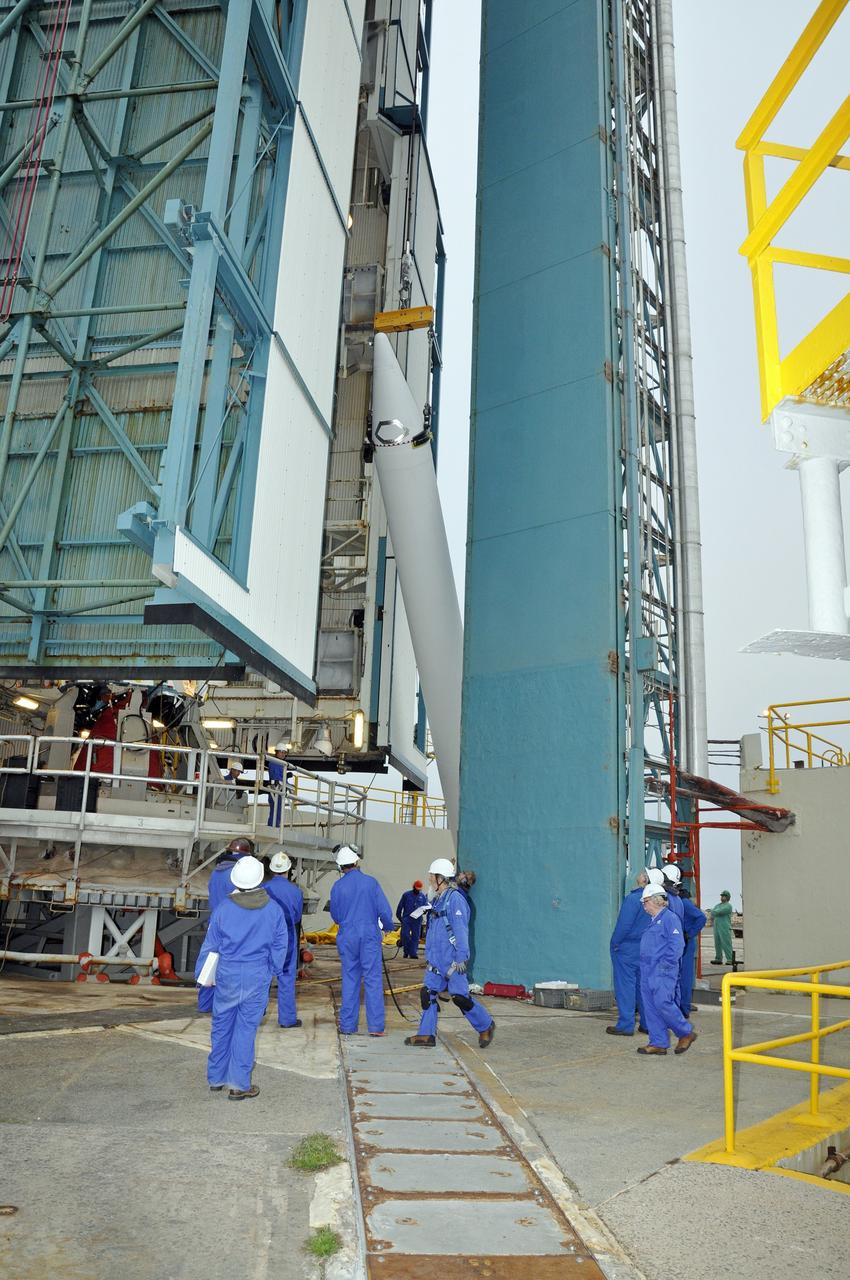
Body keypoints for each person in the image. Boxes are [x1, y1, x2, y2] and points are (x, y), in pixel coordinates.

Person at [195, 855, 287, 1100]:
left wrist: (202, 976)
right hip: (257, 974)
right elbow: (280, 946)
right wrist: (273, 970)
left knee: (222, 1024)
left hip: (228, 973)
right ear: (260, 879)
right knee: (246, 1029)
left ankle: (216, 1077)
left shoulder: (224, 908)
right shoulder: (274, 910)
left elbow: (211, 944)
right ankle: (238, 1084)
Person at [405, 858, 495, 1050]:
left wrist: (462, 957)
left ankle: (486, 1025)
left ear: (440, 878)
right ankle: (426, 1035)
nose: (429, 880)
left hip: (454, 961)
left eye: (431, 877)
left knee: (460, 998)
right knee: (427, 993)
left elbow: (461, 931)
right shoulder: (437, 900)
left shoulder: (455, 900)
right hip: (437, 961)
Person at [329, 844, 394, 1036]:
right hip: (368, 936)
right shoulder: (371, 883)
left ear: (341, 867)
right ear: (356, 862)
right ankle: (375, 1027)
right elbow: (384, 911)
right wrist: (388, 927)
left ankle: (348, 1026)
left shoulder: (337, 887)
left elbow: (336, 916)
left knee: (350, 978)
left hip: (347, 936)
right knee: (373, 979)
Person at [637, 882, 697, 1057]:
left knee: (663, 1003)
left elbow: (677, 945)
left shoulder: (670, 919)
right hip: (647, 970)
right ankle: (658, 1042)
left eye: (645, 901)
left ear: (656, 900)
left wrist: (665, 965)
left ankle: (685, 1032)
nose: (643, 905)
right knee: (650, 1007)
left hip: (662, 970)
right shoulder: (653, 921)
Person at [197, 837, 255, 1012]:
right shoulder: (238, 873)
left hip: (214, 923)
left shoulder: (216, 871)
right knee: (231, 968)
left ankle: (205, 1004)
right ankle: (228, 1004)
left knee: (210, 965)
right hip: (234, 926)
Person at [606, 868, 651, 1036]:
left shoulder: (633, 899)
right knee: (643, 987)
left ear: (645, 880)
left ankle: (625, 1024)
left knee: (625, 987)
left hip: (627, 949)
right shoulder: (656, 900)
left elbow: (623, 926)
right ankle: (647, 1023)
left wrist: (615, 943)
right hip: (645, 949)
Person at [265, 850, 304, 1028]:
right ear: (289, 870)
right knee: (287, 977)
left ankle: (255, 1015)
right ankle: (287, 1019)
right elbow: (296, 916)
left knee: (262, 977)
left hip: (265, 937)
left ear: (272, 870)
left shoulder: (263, 889)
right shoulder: (295, 891)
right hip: (287, 936)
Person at [663, 862, 707, 1017]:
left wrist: (689, 934)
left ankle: (684, 1007)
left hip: (686, 944)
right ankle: (682, 1006)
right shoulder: (678, 899)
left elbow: (701, 917)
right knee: (681, 976)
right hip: (682, 941)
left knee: (684, 976)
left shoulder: (683, 902)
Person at [396, 880, 428, 958]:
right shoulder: (406, 895)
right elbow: (400, 906)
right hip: (407, 918)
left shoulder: (422, 896)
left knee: (415, 936)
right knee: (405, 935)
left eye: (419, 889)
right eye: (416, 889)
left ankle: (413, 953)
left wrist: (424, 911)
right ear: (413, 887)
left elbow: (425, 907)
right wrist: (400, 918)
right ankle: (406, 951)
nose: (417, 890)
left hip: (417, 920)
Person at [710, 891, 735, 966]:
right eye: (721, 896)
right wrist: (715, 912)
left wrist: (715, 912)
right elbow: (713, 912)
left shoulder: (728, 906)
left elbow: (718, 912)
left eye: (724, 896)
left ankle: (730, 959)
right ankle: (718, 958)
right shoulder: (718, 905)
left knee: (726, 943)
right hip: (717, 926)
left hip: (724, 926)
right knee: (717, 943)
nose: (722, 897)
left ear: (727, 897)